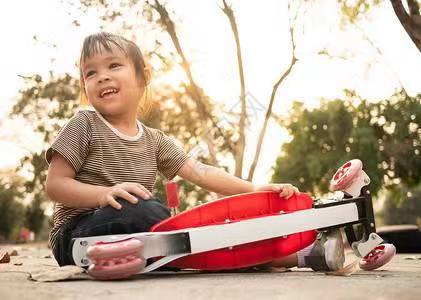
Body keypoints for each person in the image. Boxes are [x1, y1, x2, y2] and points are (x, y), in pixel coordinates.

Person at [45, 32, 344, 272]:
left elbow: (199, 171)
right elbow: (55, 185)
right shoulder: (84, 123)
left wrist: (253, 189)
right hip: (77, 234)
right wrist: (102, 194)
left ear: (142, 77)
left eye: (113, 66)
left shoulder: (154, 139)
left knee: (198, 237)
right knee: (153, 214)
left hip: (141, 234)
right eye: (90, 72)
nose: (102, 77)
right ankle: (121, 256)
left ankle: (307, 256)